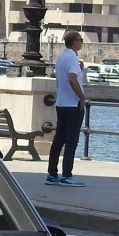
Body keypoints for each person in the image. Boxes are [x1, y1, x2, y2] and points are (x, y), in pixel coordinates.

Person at [46, 30, 87, 187]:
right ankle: (66, 175)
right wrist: (82, 97)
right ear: (74, 42)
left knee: (58, 140)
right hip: (73, 105)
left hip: (61, 104)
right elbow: (72, 78)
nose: (81, 42)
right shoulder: (72, 58)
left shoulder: (61, 58)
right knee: (71, 141)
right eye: (80, 39)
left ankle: (52, 174)